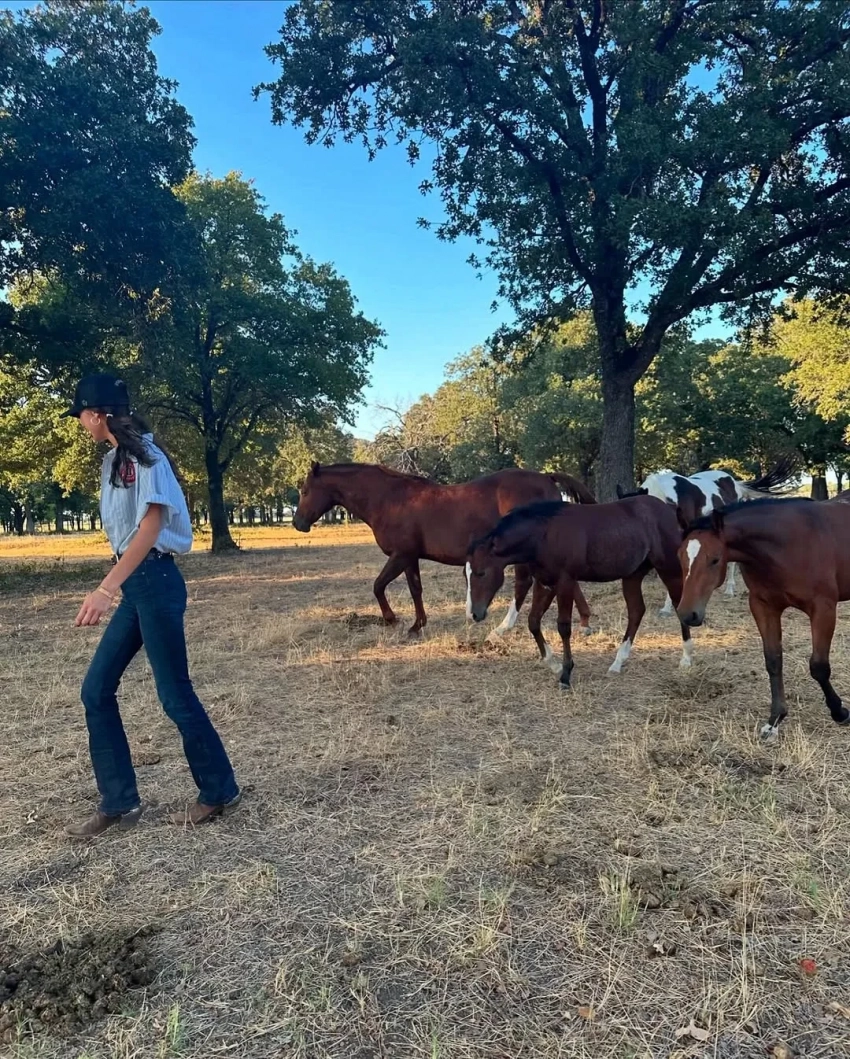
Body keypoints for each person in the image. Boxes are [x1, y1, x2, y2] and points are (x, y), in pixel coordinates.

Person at [62, 373, 240, 839]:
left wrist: (105, 590)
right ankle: (118, 802)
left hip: (155, 581)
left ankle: (219, 790)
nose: (79, 422)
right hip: (139, 586)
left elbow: (151, 527)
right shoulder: (115, 460)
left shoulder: (147, 456)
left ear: (96, 414)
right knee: (96, 689)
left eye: (81, 414)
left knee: (174, 694)